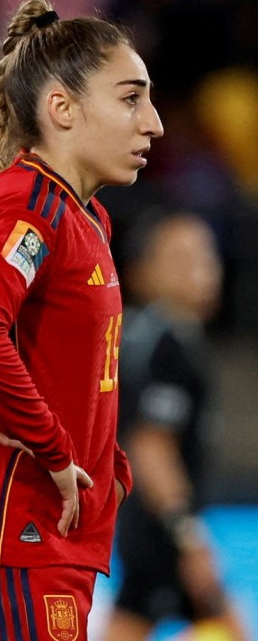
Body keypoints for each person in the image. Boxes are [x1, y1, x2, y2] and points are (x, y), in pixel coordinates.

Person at [0, 0, 163, 640]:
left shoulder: (85, 216)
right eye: (131, 99)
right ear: (62, 109)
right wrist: (55, 450)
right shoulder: (30, 206)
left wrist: (110, 467)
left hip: (44, 534)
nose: (154, 123)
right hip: (2, 531)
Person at [104, 211, 249, 641]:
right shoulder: (167, 346)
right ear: (143, 273)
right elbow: (151, 446)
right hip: (161, 535)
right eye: (182, 259)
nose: (203, 270)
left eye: (207, 256)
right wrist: (189, 537)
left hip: (148, 528)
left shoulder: (151, 336)